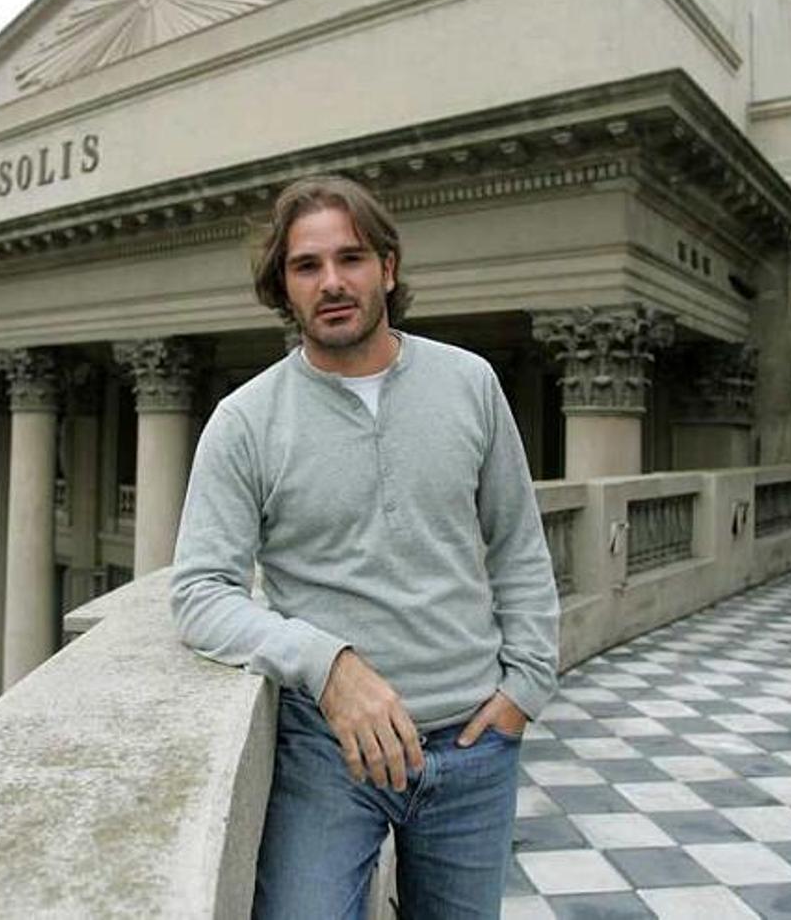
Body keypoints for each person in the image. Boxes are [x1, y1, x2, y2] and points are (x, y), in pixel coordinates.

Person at [169, 175, 559, 918]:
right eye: (306, 266)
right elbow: (199, 595)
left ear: (388, 266)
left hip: (474, 742)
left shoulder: (469, 383)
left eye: (351, 257)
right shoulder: (244, 420)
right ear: (282, 288)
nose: (332, 282)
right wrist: (327, 662)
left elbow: (518, 543)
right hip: (329, 750)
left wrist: (524, 691)